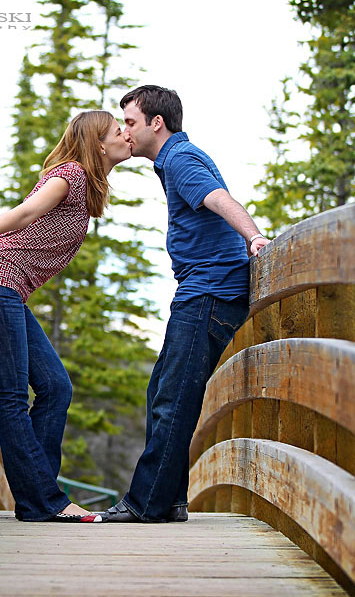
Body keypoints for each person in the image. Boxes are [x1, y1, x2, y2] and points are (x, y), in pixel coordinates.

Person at [98, 85, 271, 523]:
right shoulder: (175, 160)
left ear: (158, 123)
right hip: (205, 290)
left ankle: (145, 504)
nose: (126, 132)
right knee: (162, 391)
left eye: (131, 122)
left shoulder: (180, 159)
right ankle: (169, 500)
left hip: (210, 292)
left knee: (173, 398)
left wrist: (254, 236)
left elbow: (218, 198)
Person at [0, 110, 131, 522]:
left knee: (56, 386)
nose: (124, 134)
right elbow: (25, 213)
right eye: (116, 130)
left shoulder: (86, 186)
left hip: (9, 291)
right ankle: (45, 502)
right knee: (13, 398)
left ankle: (39, 498)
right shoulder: (70, 174)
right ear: (98, 144)